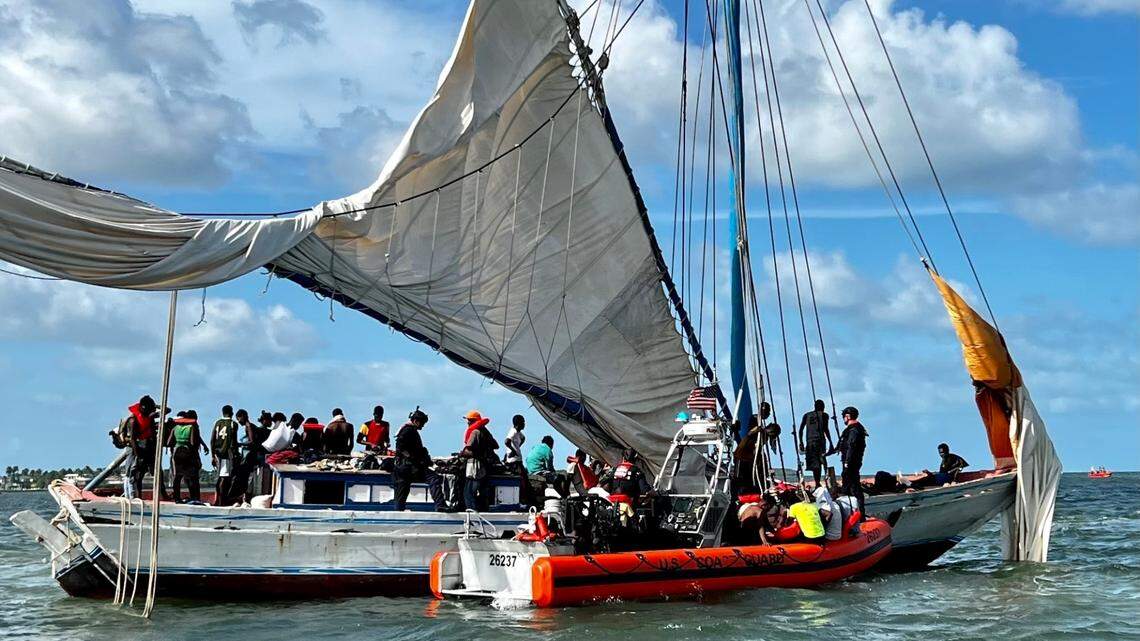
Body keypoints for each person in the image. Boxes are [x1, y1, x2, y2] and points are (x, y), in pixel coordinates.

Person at [392, 409, 446, 511]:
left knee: (401, 493)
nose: (423, 426)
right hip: (408, 467)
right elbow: (400, 447)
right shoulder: (409, 430)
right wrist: (412, 459)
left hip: (402, 469)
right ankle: (440, 505)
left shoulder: (407, 430)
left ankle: (398, 513)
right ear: (416, 421)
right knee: (433, 478)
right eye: (422, 423)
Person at [121, 395, 169, 500]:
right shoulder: (133, 420)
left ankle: (164, 495)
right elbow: (133, 439)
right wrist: (138, 454)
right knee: (137, 474)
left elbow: (167, 410)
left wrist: (156, 406)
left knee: (157, 472)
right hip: (138, 447)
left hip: (149, 446)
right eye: (150, 408)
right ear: (143, 408)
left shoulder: (150, 415)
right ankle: (136, 497)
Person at [829, 406, 868, 517]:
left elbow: (851, 446)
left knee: (853, 488)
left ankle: (859, 515)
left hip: (851, 462)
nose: (843, 419)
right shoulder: (852, 429)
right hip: (850, 462)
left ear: (847, 416)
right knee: (850, 486)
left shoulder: (854, 430)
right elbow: (840, 446)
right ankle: (853, 513)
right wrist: (827, 453)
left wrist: (847, 462)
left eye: (843, 417)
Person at [460, 411, 499, 511]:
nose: (468, 423)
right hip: (485, 466)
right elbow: (496, 445)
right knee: (482, 491)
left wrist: (461, 454)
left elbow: (469, 450)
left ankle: (472, 513)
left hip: (475, 465)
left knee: (469, 492)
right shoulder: (485, 432)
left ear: (473, 421)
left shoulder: (475, 432)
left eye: (469, 421)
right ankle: (483, 511)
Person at [167, 410, 207, 503]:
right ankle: (194, 498)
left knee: (177, 476)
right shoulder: (191, 427)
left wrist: (177, 442)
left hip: (177, 452)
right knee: (191, 476)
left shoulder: (175, 428)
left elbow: (169, 442)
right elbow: (192, 443)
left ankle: (177, 498)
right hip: (187, 452)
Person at [798, 399, 833, 488]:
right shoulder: (824, 415)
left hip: (810, 442)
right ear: (823, 407)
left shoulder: (806, 415)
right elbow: (826, 429)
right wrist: (830, 442)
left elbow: (801, 430)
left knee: (815, 464)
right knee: (821, 461)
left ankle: (818, 482)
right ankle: (823, 480)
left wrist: (801, 442)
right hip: (820, 442)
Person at [210, 405, 239, 506]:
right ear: (231, 412)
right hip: (226, 453)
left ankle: (218, 499)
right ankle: (222, 501)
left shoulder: (217, 423)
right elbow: (233, 441)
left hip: (217, 453)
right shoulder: (233, 424)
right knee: (224, 477)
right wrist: (236, 454)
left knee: (220, 477)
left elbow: (212, 440)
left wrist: (212, 455)